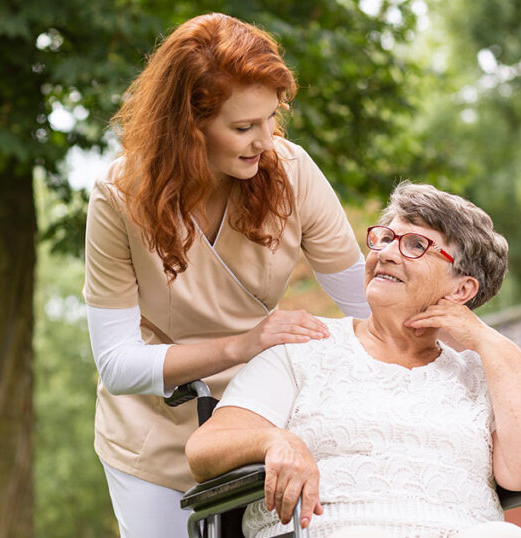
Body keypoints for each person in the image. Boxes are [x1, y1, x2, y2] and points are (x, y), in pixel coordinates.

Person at [83, 12, 371, 538]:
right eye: (243, 127)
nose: (265, 141)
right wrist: (242, 344)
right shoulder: (118, 198)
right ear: (188, 128)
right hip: (154, 432)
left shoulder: (291, 170)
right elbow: (118, 363)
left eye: (270, 118)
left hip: (259, 419)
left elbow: (366, 300)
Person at [185, 182, 521, 538]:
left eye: (415, 245)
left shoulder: (483, 376)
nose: (387, 253)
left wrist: (487, 341)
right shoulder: (305, 348)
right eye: (385, 238)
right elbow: (205, 449)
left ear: (462, 289)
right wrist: (275, 439)